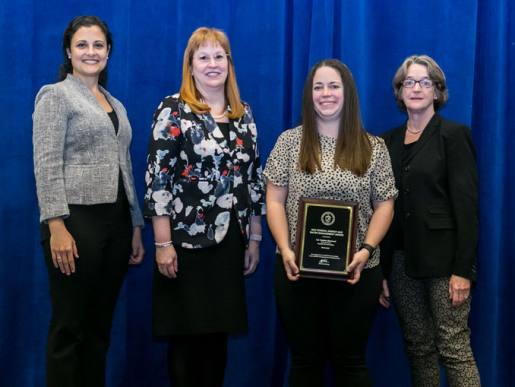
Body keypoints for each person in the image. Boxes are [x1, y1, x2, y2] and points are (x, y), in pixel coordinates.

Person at [143, 27, 266, 387]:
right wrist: (162, 245)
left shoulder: (244, 114)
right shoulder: (173, 110)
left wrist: (255, 237)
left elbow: (253, 180)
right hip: (183, 244)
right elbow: (158, 181)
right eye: (204, 57)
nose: (212, 64)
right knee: (186, 337)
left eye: (219, 56)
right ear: (191, 66)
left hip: (230, 242)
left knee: (217, 336)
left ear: (229, 63)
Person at [264, 59, 397, 386]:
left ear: (347, 92)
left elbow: (385, 205)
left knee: (350, 362)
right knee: (305, 362)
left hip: (358, 273)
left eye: (333, 86)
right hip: (297, 271)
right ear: (309, 95)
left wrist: (366, 250)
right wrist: (285, 249)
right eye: (318, 87)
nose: (326, 94)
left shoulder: (374, 147)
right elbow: (274, 201)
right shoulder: (289, 142)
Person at [32, 15, 145, 387]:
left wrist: (135, 225)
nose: (90, 52)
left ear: (109, 52)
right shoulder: (55, 95)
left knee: (99, 330)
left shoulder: (116, 103)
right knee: (70, 330)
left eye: (98, 45)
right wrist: (56, 225)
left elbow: (124, 166)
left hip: (116, 224)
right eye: (82, 45)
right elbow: (46, 163)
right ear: (68, 51)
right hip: (75, 223)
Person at [379, 55, 480, 386]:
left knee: (453, 348)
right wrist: (380, 271)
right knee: (418, 349)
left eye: (425, 82)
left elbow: (467, 207)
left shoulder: (453, 135)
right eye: (409, 82)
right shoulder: (386, 141)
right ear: (400, 91)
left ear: (438, 91)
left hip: (444, 263)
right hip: (399, 262)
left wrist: (463, 270)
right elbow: (382, 207)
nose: (417, 88)